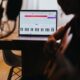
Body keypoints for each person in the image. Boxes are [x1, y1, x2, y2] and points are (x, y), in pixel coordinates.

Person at [44, 0, 80, 79]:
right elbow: (61, 31)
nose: (59, 2)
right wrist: (51, 38)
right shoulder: (75, 19)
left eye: (66, 2)